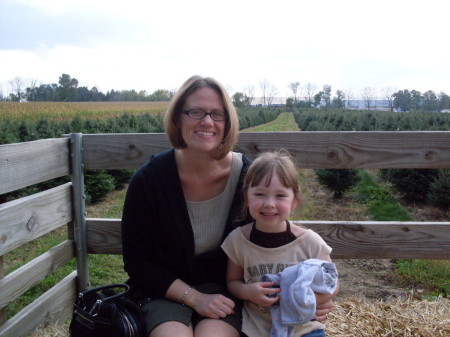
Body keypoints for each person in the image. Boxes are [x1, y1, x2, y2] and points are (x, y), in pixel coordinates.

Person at [121, 75, 335, 337]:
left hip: (226, 292)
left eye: (217, 114)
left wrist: (316, 297)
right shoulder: (149, 180)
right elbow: (138, 263)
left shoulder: (246, 176)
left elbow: (275, 239)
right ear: (178, 118)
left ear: (227, 122)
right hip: (165, 292)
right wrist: (194, 298)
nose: (207, 122)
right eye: (195, 112)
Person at [221, 150, 339, 337]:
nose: (269, 203)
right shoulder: (238, 240)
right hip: (257, 329)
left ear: (294, 201)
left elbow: (333, 282)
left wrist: (311, 300)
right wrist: (248, 292)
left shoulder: (309, 242)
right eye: (260, 194)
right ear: (246, 198)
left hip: (303, 329)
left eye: (280, 196)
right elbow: (232, 282)